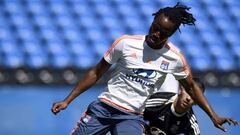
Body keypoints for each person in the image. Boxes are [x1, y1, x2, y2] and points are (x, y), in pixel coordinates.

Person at [51, 3, 238, 135]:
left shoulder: (175, 58)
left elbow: (191, 87)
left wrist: (213, 117)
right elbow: (96, 72)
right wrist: (68, 100)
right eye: (154, 27)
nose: (155, 34)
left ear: (171, 34)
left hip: (131, 117)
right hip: (104, 108)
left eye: (162, 33)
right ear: (152, 21)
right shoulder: (125, 43)